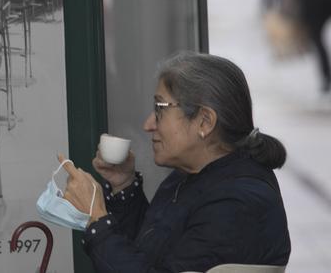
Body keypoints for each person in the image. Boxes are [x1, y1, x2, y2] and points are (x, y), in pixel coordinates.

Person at [56, 53, 290, 272]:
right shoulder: (192, 175)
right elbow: (148, 253)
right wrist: (124, 187)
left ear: (204, 122)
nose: (148, 124)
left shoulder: (238, 203)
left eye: (160, 110)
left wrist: (96, 218)